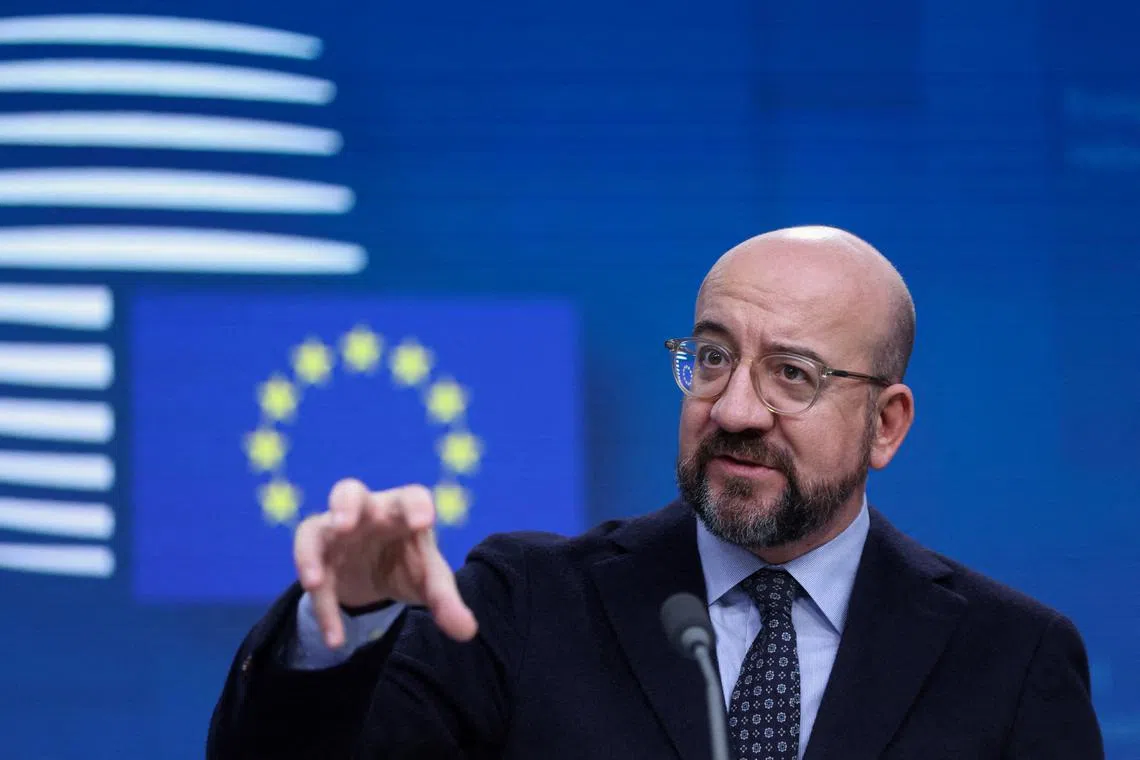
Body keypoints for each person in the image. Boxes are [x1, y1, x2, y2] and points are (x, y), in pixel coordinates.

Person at [207, 226, 1103, 759]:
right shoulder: (524, 603)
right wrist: (352, 621)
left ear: (886, 424)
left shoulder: (1010, 658)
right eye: (712, 358)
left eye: (792, 375)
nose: (736, 407)